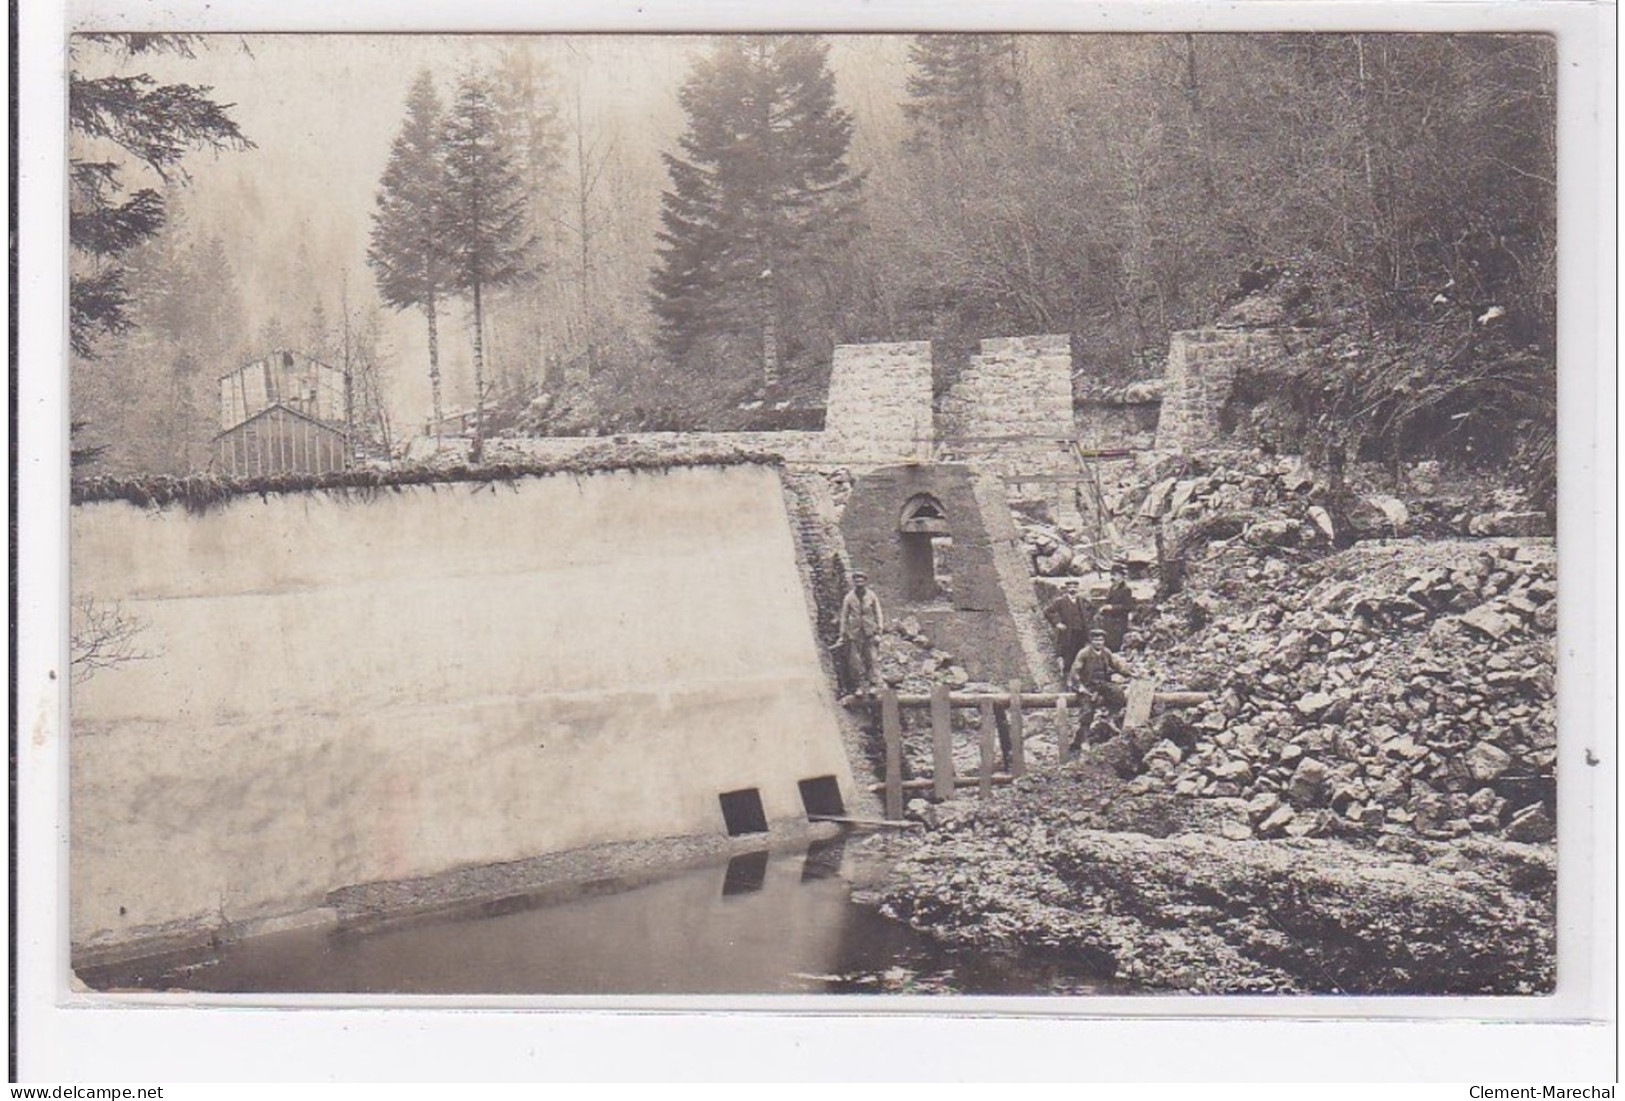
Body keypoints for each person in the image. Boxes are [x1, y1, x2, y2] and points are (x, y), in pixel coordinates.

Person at [1067, 627, 1130, 752]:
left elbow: (1116, 665)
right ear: (1091, 641)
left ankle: (1110, 718)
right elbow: (1075, 671)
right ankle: (1084, 740)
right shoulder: (1084, 653)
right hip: (1088, 685)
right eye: (1096, 640)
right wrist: (1079, 686)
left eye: (1101, 640)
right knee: (1087, 710)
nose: (1099, 643)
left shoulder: (1106, 652)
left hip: (1102, 683)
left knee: (1118, 694)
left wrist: (1129, 672)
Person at [837, 570, 885, 695]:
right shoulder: (849, 597)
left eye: (861, 581)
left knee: (872, 658)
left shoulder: (871, 596)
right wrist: (843, 634)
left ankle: (873, 685)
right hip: (854, 633)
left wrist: (879, 630)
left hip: (869, 632)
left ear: (865, 581)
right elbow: (844, 616)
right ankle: (858, 686)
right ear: (854, 582)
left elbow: (878, 613)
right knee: (855, 661)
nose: (859, 583)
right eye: (857, 581)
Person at [1043, 579, 1092, 675]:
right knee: (1068, 656)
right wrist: (1057, 623)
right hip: (1068, 634)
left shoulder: (1081, 600)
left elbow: (1091, 609)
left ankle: (1079, 677)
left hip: (1081, 632)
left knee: (1080, 655)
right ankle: (1067, 676)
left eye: (1074, 587)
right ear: (1066, 589)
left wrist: (1087, 620)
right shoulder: (1061, 601)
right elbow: (1048, 611)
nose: (1072, 589)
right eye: (1070, 587)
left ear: (1077, 588)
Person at [1096, 561, 1136, 651]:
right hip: (1110, 623)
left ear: (1121, 576)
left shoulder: (1126, 589)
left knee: (1116, 645)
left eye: (1116, 575)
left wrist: (1112, 607)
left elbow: (1128, 607)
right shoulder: (1112, 588)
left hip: (1119, 622)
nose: (1113, 577)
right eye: (1112, 575)